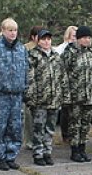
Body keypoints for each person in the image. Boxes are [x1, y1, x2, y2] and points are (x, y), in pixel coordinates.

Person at [0, 18, 28, 171]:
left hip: (16, 95)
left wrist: (25, 90)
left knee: (15, 127)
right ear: (2, 31)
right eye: (10, 30)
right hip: (0, 95)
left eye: (15, 30)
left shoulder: (22, 49)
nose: (13, 33)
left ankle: (11, 155)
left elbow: (25, 72)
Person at [25, 29, 68, 166]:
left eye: (48, 39)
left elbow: (63, 77)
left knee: (50, 128)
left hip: (54, 99)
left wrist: (63, 94)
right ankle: (38, 153)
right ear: (38, 40)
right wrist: (31, 98)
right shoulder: (33, 56)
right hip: (39, 100)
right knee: (39, 128)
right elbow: (30, 79)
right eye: (43, 39)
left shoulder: (56, 56)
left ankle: (47, 152)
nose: (46, 42)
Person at [62, 25, 92, 162]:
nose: (87, 40)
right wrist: (66, 95)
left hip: (90, 95)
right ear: (78, 39)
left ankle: (82, 148)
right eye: (85, 38)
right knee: (75, 124)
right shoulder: (70, 53)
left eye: (89, 38)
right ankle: (74, 150)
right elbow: (64, 75)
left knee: (86, 124)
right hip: (75, 96)